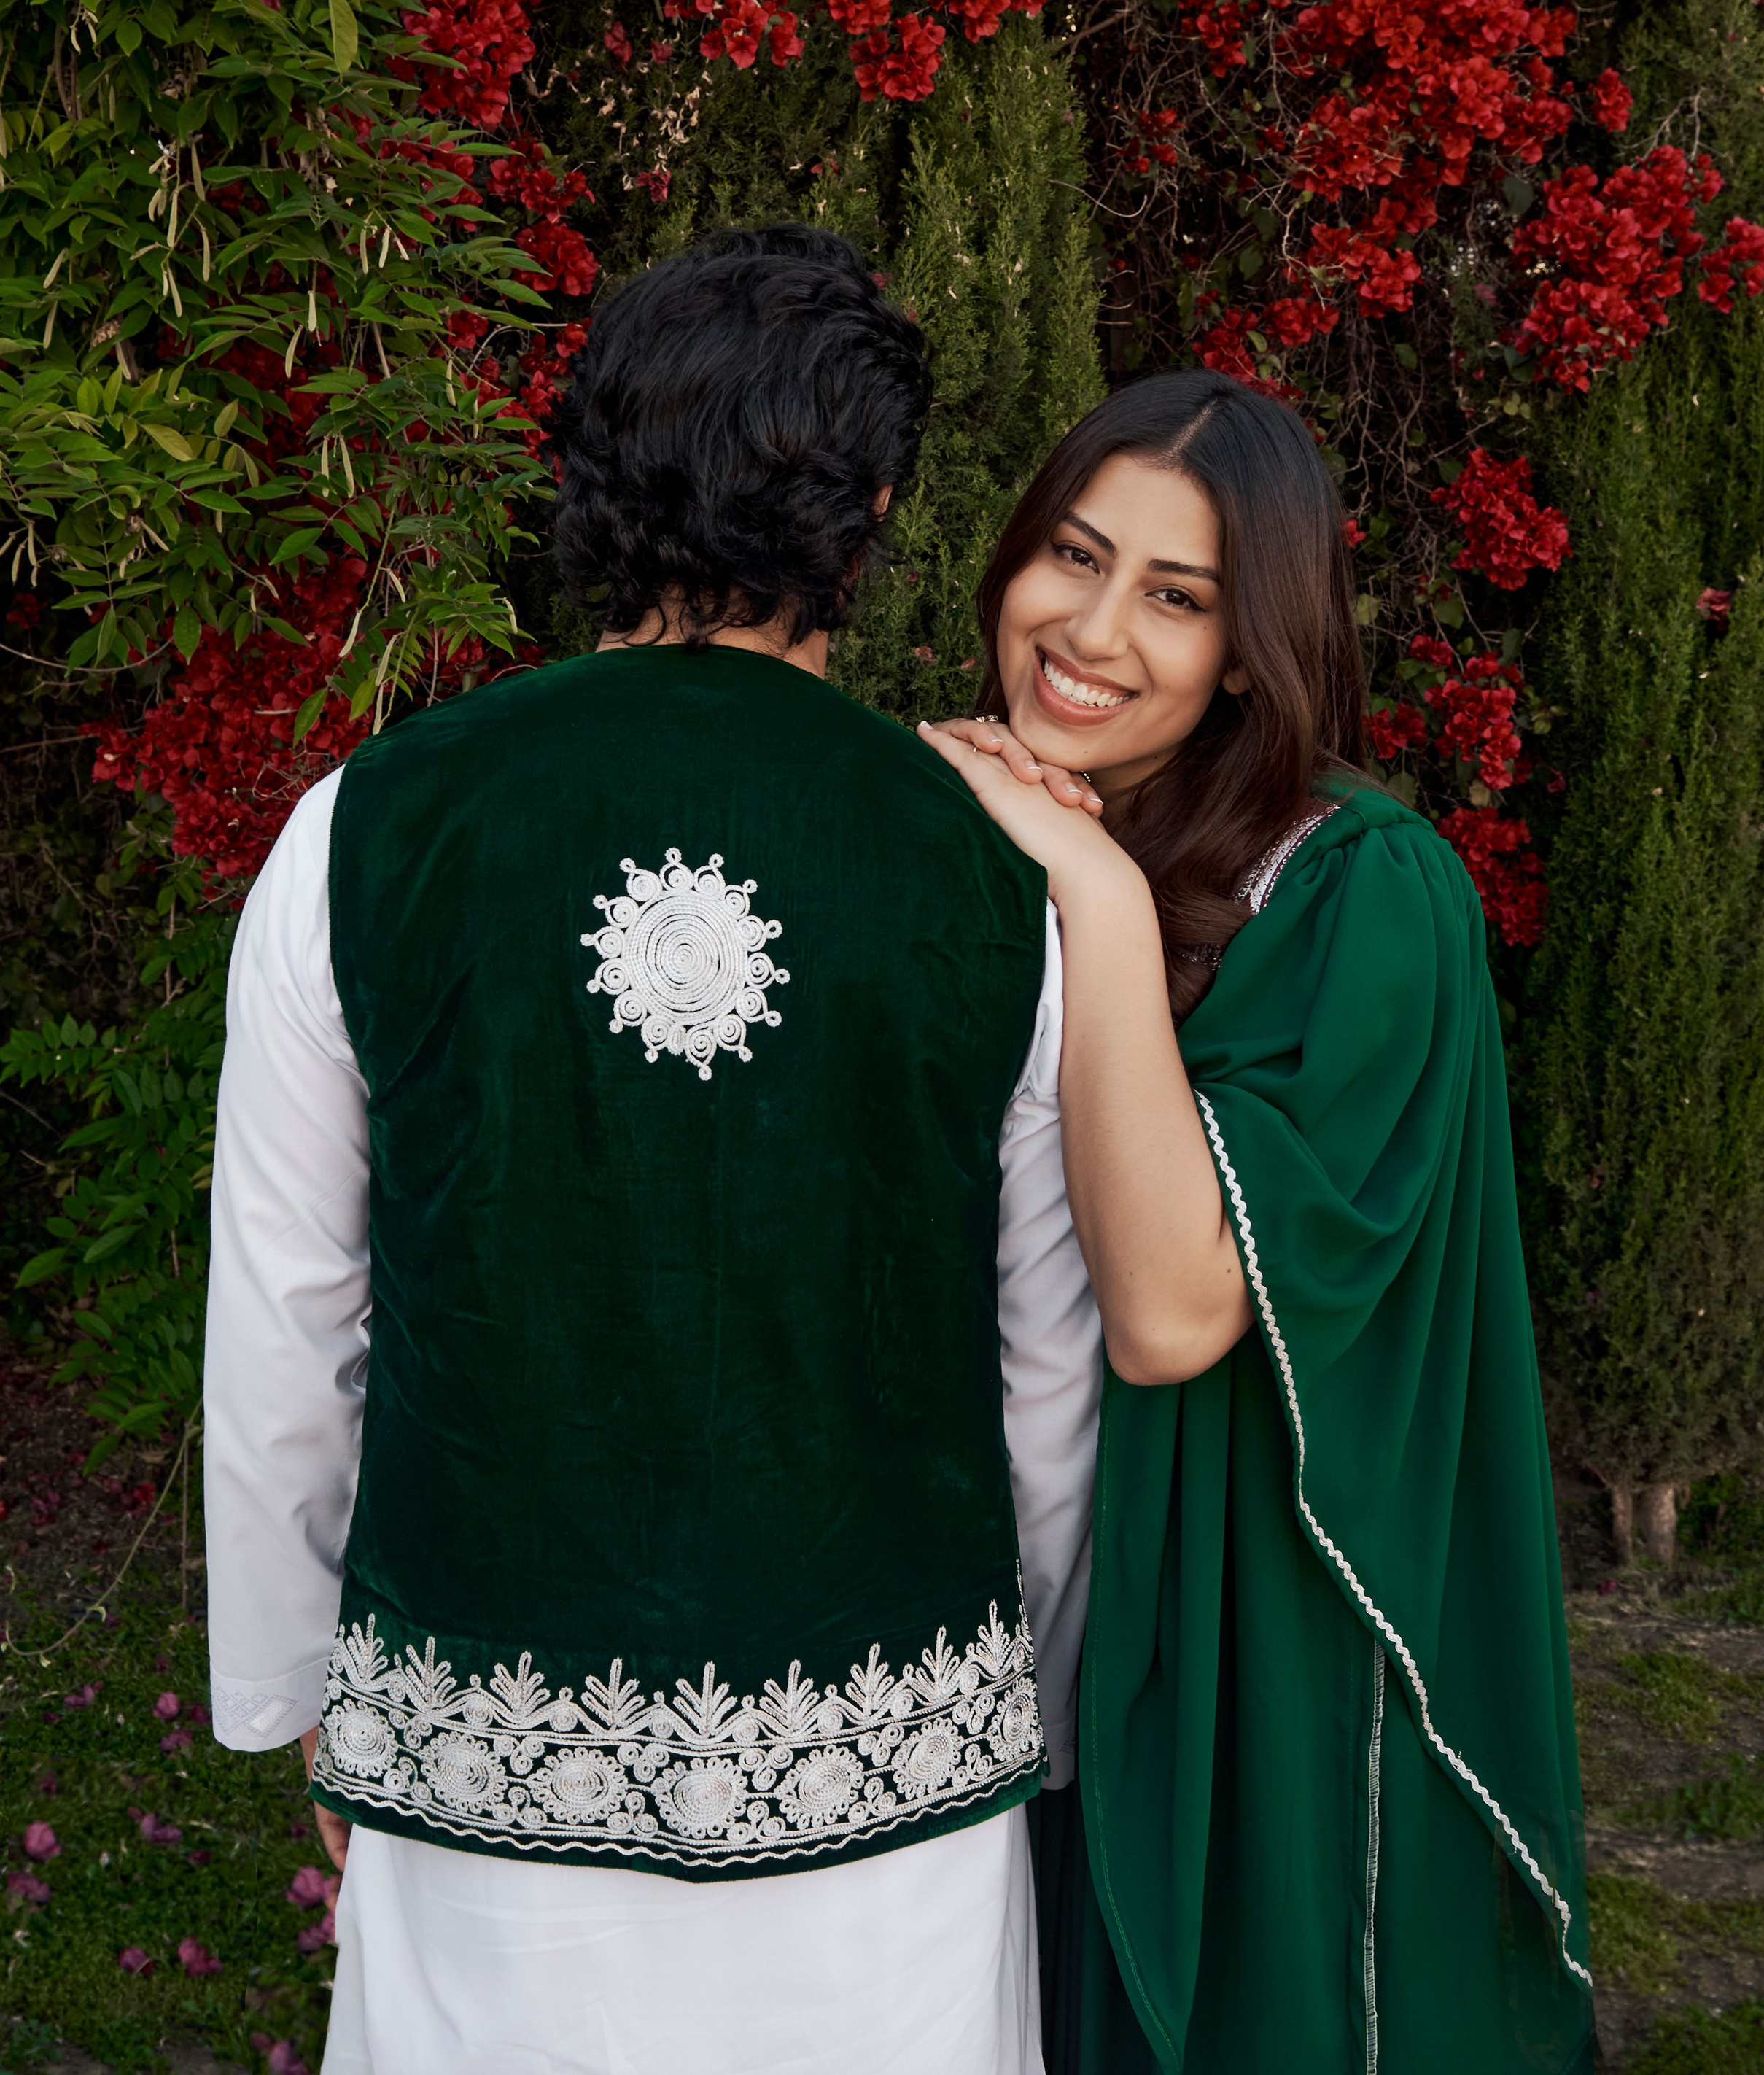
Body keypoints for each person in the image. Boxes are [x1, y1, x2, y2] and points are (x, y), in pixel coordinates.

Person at [203, 225, 1103, 2075]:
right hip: (888, 1772)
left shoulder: (365, 830)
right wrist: (1043, 1712)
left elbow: (289, 1316)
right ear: (866, 505)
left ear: (593, 467)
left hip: (484, 1741)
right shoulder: (987, 865)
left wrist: (301, 1694)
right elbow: (1043, 1369)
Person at [919, 369, 1598, 2075]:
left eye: (1175, 595)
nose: (1086, 628)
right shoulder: (976, 823)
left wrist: (1089, 896)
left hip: (1245, 1636)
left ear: (1250, 647)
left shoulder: (1361, 894)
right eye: (1070, 556)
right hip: (978, 1616)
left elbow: (1171, 1310)